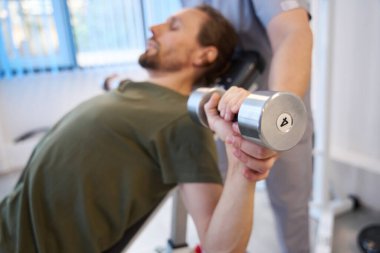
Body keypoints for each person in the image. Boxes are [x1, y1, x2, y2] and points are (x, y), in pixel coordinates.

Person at [0, 5, 278, 253]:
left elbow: (221, 248)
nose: (153, 28)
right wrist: (111, 82)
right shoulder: (129, 89)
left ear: (204, 55)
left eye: (173, 26)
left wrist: (241, 163)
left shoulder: (185, 121)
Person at [182, 1, 314, 253]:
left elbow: (292, 33)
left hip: (276, 109)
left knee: (291, 205)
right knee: (224, 208)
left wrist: (273, 118)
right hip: (216, 115)